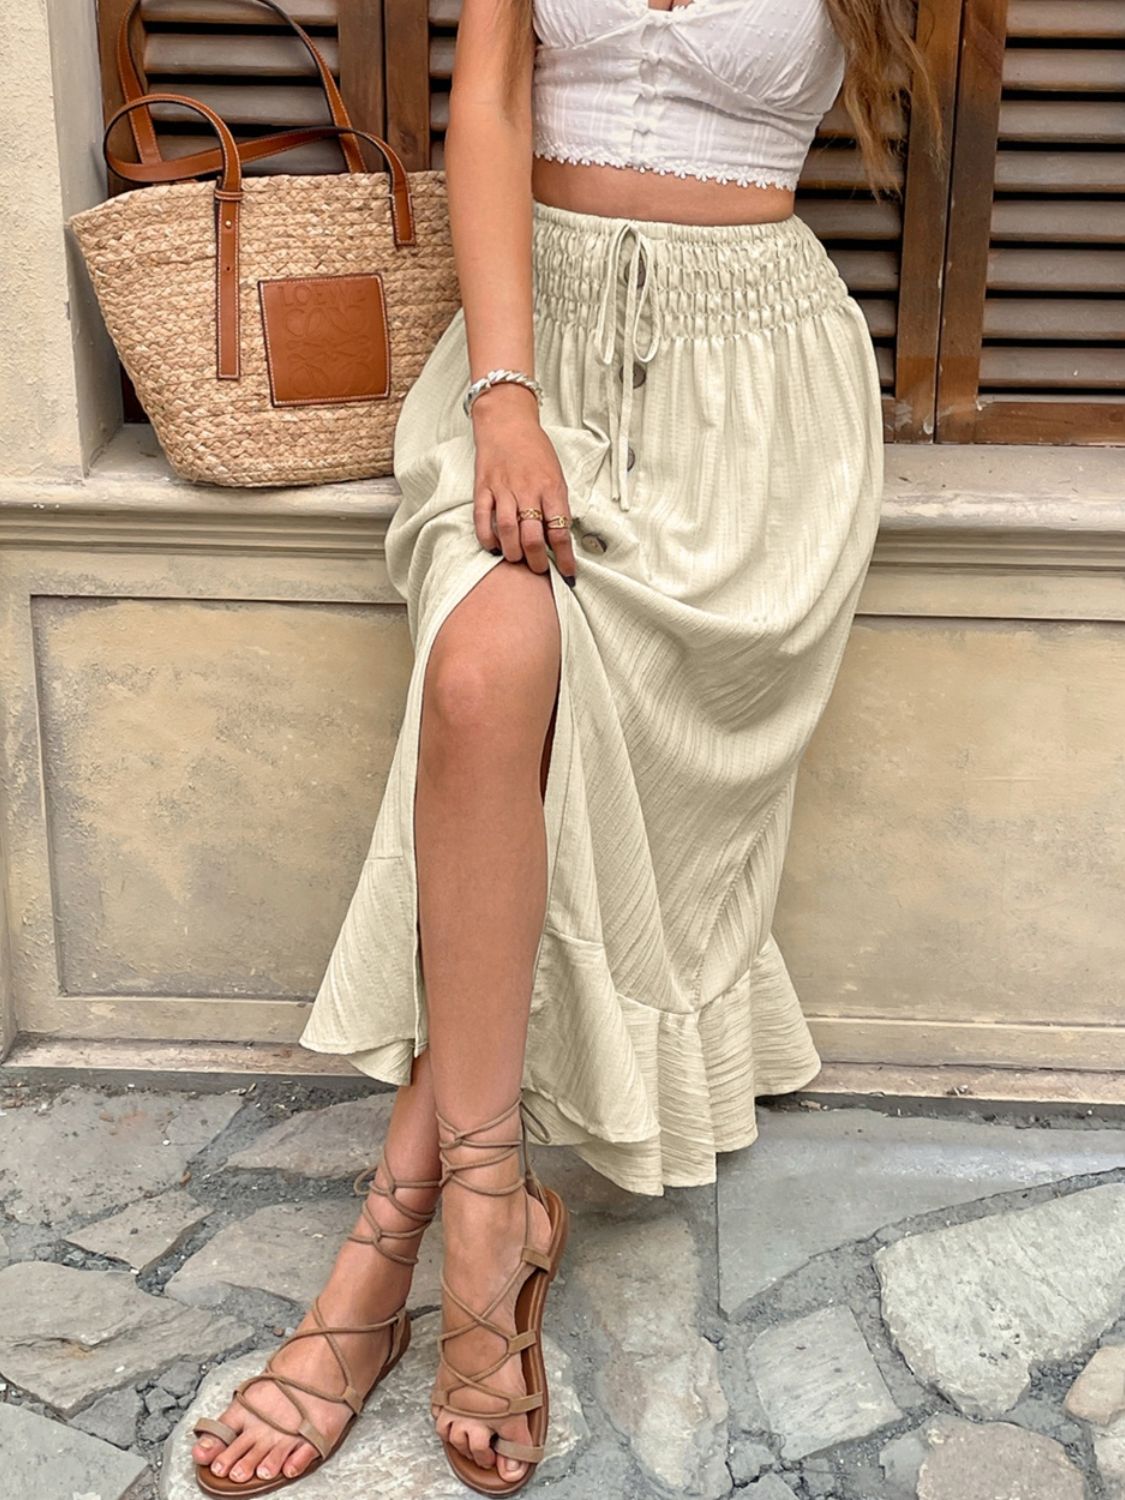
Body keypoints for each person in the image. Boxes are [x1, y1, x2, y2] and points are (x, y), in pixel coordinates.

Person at [190, 1, 940, 1495]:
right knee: (482, 681)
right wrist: (505, 395)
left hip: (750, 397)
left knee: (567, 770)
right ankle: (487, 1229)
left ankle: (396, 1247)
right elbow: (486, 103)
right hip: (530, 346)